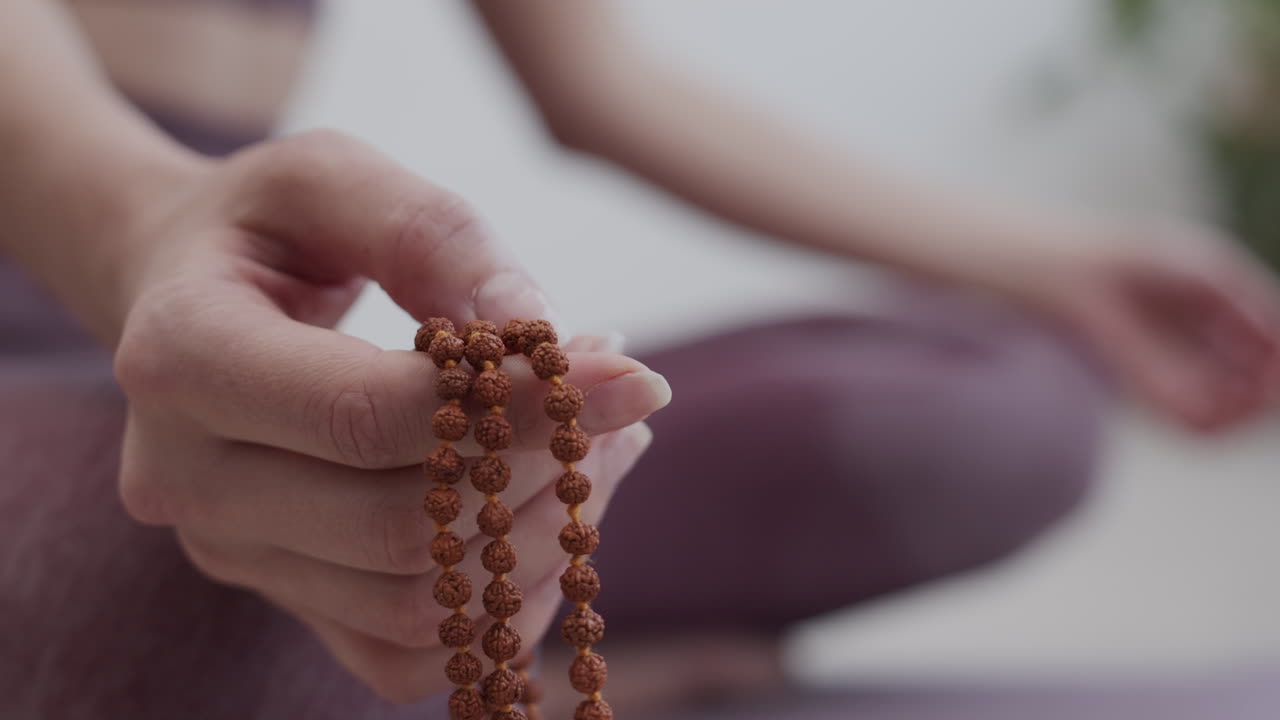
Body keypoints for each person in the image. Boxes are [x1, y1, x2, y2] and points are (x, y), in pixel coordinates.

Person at [2, 1, 1277, 718]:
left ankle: (507, 668)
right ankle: (537, 682)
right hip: (58, 388)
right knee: (203, 622)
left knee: (995, 408)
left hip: (186, 345)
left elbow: (601, 80)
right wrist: (153, 236)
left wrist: (1055, 264)